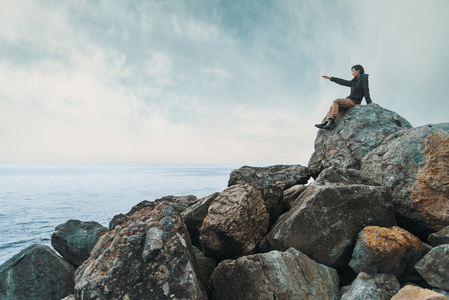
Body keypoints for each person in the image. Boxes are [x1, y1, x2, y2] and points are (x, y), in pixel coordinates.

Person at [316, 64, 373, 129]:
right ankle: (327, 122)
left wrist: (369, 103)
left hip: (354, 101)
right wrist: (331, 78)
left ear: (358, 70)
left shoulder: (364, 79)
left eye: (353, 71)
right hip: (350, 100)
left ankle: (332, 121)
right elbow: (343, 82)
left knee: (336, 101)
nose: (352, 73)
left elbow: (366, 90)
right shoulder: (354, 81)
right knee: (333, 106)